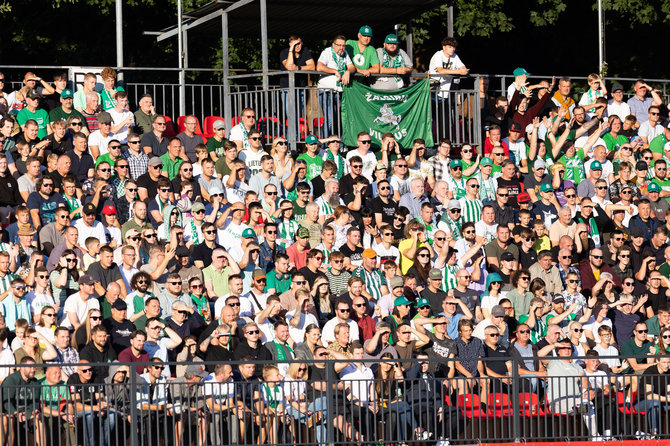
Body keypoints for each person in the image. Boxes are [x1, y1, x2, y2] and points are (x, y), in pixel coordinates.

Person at [316, 35, 355, 136]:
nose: (341, 48)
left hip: (339, 91)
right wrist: (334, 71)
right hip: (326, 91)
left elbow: (352, 67)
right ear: (333, 45)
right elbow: (319, 67)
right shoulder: (327, 52)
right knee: (329, 120)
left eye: (343, 45)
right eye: (339, 45)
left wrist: (347, 72)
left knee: (339, 120)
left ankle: (339, 145)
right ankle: (324, 145)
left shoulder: (345, 53)